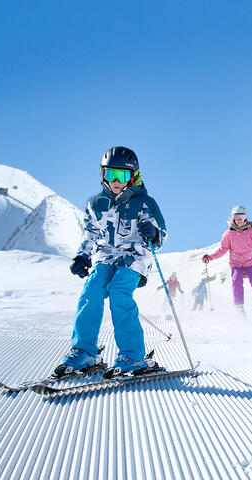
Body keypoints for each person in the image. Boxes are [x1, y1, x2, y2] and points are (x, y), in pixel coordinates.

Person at [54, 146, 167, 377]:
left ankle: (133, 356)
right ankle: (84, 352)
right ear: (102, 174)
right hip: (105, 256)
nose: (116, 181)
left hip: (134, 257)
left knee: (118, 293)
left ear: (133, 175)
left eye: (122, 175)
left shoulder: (145, 202)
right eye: (110, 174)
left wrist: (153, 233)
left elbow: (161, 236)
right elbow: (90, 234)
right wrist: (82, 255)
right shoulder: (95, 203)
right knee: (91, 290)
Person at [202, 205, 252, 317]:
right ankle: (239, 308)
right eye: (237, 217)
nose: (239, 220)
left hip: (249, 262)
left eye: (241, 217)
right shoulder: (228, 234)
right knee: (236, 281)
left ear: (245, 218)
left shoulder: (250, 230)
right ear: (233, 218)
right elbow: (222, 249)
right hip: (236, 263)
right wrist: (210, 257)